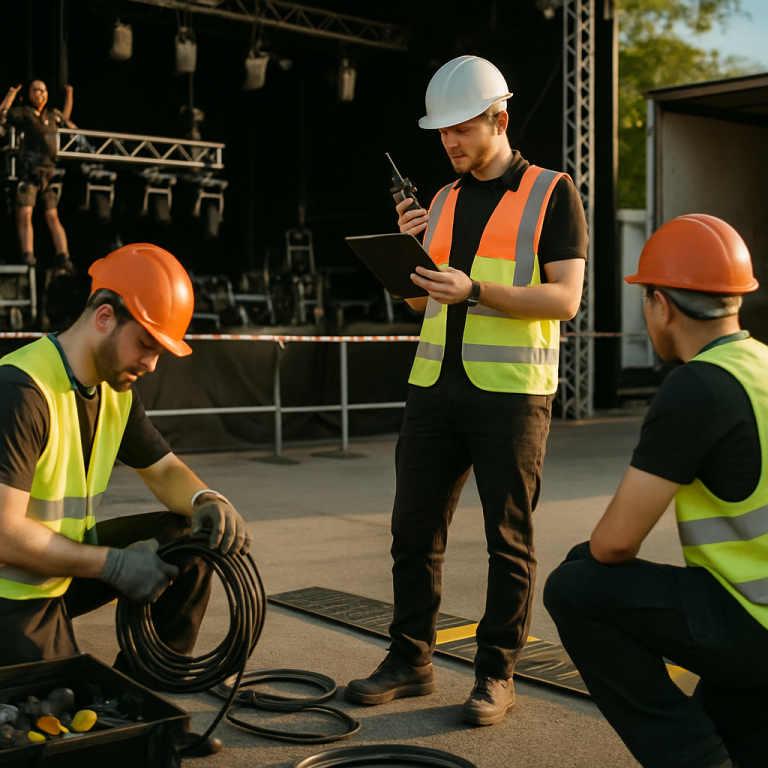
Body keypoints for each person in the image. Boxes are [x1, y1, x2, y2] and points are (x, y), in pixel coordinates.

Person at [345, 55, 588, 726]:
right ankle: (410, 659)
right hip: (433, 388)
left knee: (508, 540)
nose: (450, 143)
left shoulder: (551, 191)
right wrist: (410, 263)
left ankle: (496, 673)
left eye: (462, 129)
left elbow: (566, 299)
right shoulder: (443, 201)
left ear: (499, 119)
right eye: (442, 132)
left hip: (511, 395)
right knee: (412, 533)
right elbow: (428, 305)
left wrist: (476, 289)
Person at [544, 214, 768, 768]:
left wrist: (585, 559)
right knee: (733, 725)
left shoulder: (697, 387)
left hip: (756, 626)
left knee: (576, 584)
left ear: (660, 305)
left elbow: (614, 545)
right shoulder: (760, 363)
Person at [0, 243, 252, 675]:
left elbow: (165, 469)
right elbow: (4, 536)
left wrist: (206, 499)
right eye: (146, 344)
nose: (152, 364)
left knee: (187, 539)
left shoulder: (114, 394)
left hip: (61, 569)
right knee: (61, 720)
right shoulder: (21, 391)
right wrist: (112, 565)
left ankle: (150, 688)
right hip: (12, 591)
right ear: (104, 317)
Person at [0, 80, 75, 272]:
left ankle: (63, 255)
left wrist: (69, 94)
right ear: (29, 94)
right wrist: (11, 93)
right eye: (36, 91)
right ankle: (28, 256)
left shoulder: (52, 115)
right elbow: (2, 114)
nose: (40, 94)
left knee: (52, 215)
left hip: (49, 173)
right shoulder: (25, 113)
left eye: (43, 90)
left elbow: (65, 120)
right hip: (30, 171)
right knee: (24, 214)